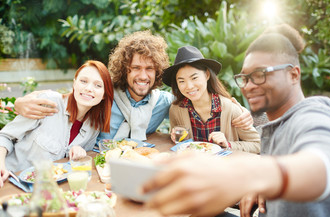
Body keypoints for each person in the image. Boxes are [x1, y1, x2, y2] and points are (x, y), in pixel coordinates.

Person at [142, 24, 330, 217]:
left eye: (261, 74)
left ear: (293, 74)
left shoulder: (316, 117)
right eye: (245, 77)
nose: (249, 86)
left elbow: (328, 166)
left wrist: (250, 176)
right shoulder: (274, 126)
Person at [14, 31, 253, 141]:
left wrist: (237, 108)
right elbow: (73, 97)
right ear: (124, 69)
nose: (142, 75)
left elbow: (197, 96)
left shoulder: (163, 102)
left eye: (149, 69)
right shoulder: (105, 95)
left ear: (157, 72)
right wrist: (20, 101)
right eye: (135, 68)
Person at [0, 60, 113, 187]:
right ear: (74, 83)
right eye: (83, 81)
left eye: (98, 85)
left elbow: (78, 164)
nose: (88, 88)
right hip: (9, 181)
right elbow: (5, 136)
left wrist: (79, 151)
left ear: (104, 95)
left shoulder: (94, 125)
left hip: (47, 190)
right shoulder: (48, 102)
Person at [162, 46, 260, 152]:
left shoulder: (231, 109)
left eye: (194, 78)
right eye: (181, 81)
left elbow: (258, 144)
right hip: (192, 166)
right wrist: (176, 138)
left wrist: (228, 144)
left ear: (207, 75)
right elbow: (178, 144)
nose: (189, 86)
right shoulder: (176, 109)